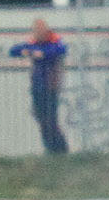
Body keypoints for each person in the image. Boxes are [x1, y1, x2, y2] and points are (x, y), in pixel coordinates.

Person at [10, 19, 72, 154]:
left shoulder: (54, 41)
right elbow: (14, 50)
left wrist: (37, 53)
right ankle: (51, 148)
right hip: (37, 86)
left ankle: (60, 149)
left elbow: (57, 50)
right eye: (36, 30)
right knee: (40, 117)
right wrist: (31, 52)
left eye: (40, 30)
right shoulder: (34, 43)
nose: (37, 33)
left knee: (50, 118)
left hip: (51, 86)